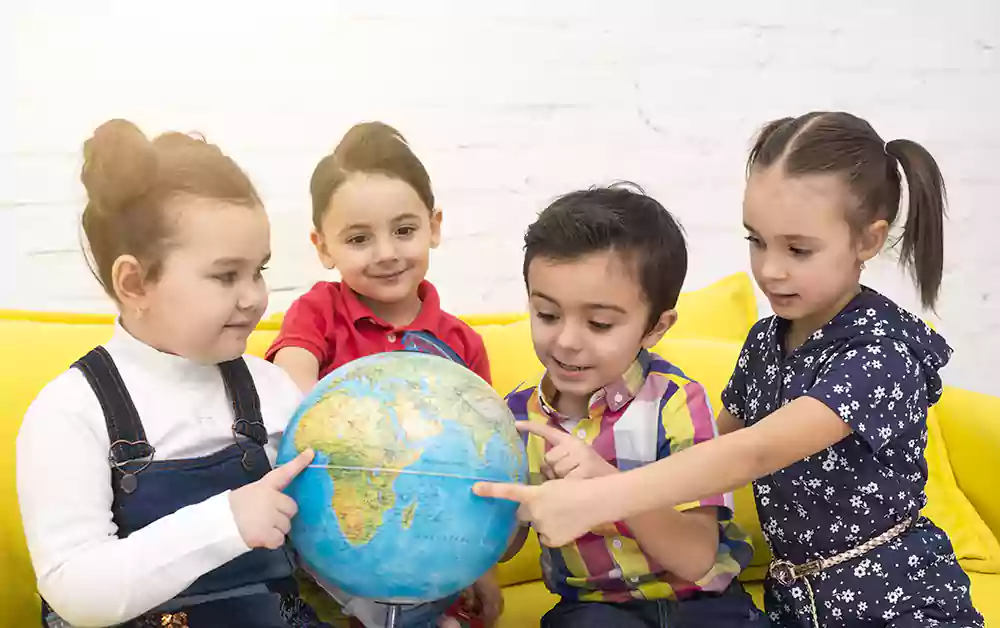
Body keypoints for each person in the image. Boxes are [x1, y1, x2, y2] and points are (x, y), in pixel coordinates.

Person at [475, 113, 984, 627]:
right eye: (756, 241)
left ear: (868, 242)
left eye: (798, 249)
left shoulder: (882, 353)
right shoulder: (767, 342)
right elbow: (707, 456)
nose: (769, 270)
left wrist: (600, 495)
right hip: (798, 606)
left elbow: (752, 451)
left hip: (892, 600)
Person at [16, 119, 328, 627]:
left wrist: (406, 602)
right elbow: (78, 591)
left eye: (259, 271)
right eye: (226, 275)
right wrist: (227, 521)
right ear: (135, 282)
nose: (253, 296)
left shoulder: (273, 391)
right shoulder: (70, 412)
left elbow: (328, 544)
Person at [498, 185, 766, 628]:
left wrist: (607, 487)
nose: (566, 340)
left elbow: (697, 557)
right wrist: (508, 508)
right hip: (593, 612)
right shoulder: (515, 420)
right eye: (547, 314)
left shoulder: (678, 403)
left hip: (702, 604)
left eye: (599, 323)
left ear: (655, 328)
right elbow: (502, 546)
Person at [266, 122, 499, 628]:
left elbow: (483, 471)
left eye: (405, 230)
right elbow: (289, 385)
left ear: (434, 226)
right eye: (358, 238)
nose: (387, 252)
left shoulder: (460, 345)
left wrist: (481, 568)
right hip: (330, 557)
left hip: (430, 558)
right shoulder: (318, 313)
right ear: (322, 246)